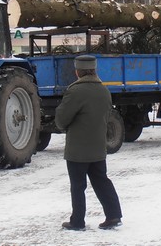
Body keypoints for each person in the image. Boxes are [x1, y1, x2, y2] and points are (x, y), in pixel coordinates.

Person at [55, 55, 122, 231]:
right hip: (98, 147)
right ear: (94, 70)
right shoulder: (104, 91)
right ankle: (114, 215)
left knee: (78, 186)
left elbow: (61, 119)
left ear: (78, 71)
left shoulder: (75, 91)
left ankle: (77, 221)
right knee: (101, 181)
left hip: (77, 150)